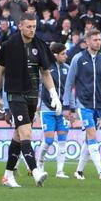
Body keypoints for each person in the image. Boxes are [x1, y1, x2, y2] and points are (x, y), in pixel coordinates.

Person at [0, 13, 60, 189]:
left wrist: (54, 94)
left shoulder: (40, 46)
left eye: (34, 26)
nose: (32, 30)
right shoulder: (8, 46)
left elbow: (45, 73)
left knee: (19, 136)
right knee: (26, 134)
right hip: (15, 93)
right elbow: (0, 72)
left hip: (32, 95)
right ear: (20, 26)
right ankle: (35, 171)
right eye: (28, 26)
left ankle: (7, 176)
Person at [63, 29, 101, 180]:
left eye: (99, 40)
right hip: (83, 103)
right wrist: (67, 105)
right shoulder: (78, 59)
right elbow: (69, 82)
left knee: (88, 137)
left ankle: (78, 171)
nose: (98, 42)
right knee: (92, 134)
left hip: (99, 104)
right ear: (87, 42)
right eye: (95, 40)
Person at [36, 43, 70, 178]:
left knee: (62, 140)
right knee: (49, 140)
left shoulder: (67, 69)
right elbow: (39, 87)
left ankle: (60, 171)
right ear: (55, 55)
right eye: (63, 54)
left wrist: (69, 107)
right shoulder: (46, 68)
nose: (65, 56)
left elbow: (68, 90)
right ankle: (40, 163)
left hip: (62, 110)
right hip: (47, 108)